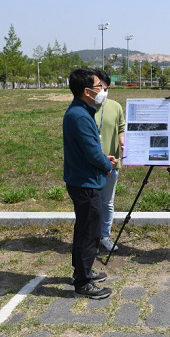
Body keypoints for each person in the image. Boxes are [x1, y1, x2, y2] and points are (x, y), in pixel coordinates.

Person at [63, 68, 117, 299]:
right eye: (99, 87)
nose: (103, 91)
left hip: (84, 180)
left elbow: (92, 150)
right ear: (87, 91)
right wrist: (107, 165)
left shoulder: (82, 111)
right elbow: (91, 154)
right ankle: (83, 283)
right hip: (86, 183)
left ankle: (81, 272)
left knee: (85, 230)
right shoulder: (80, 116)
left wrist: (104, 159)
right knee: (89, 233)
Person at [93, 69, 125, 252]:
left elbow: (121, 128)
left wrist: (122, 141)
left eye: (105, 88)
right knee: (92, 203)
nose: (102, 92)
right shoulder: (86, 108)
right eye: (99, 87)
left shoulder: (115, 107)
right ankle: (92, 238)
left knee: (107, 202)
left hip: (112, 163)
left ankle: (105, 235)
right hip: (92, 163)